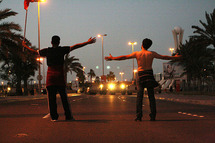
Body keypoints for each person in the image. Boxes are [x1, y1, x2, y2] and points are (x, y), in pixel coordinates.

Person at [105, 38, 181, 121]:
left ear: (142, 45)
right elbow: (164, 57)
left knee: (139, 97)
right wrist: (175, 58)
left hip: (140, 75)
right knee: (151, 96)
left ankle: (139, 116)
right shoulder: (151, 53)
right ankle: (152, 116)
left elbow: (124, 57)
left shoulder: (137, 53)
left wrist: (113, 58)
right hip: (149, 75)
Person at [23, 35, 96, 121]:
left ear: (51, 42)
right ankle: (68, 116)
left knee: (51, 99)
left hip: (50, 77)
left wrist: (25, 46)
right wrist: (87, 42)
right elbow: (76, 46)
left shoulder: (47, 51)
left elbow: (34, 52)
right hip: (60, 76)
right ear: (59, 42)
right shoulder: (62, 50)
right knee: (64, 98)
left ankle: (54, 117)